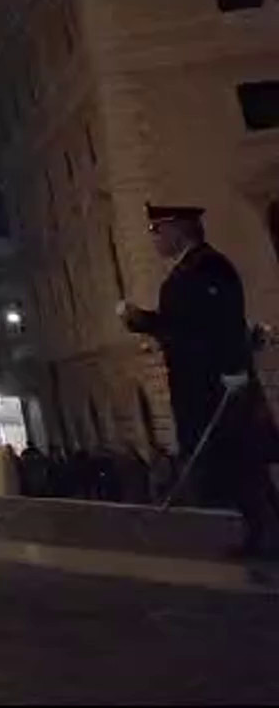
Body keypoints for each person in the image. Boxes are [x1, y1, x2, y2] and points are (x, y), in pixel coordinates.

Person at [121, 202, 279, 557]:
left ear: (179, 229)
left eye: (157, 232)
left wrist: (234, 370)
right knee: (237, 465)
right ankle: (263, 531)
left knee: (241, 462)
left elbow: (222, 324)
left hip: (218, 386)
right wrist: (144, 321)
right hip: (200, 386)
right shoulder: (186, 272)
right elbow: (182, 327)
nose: (155, 240)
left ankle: (266, 534)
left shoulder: (209, 268)